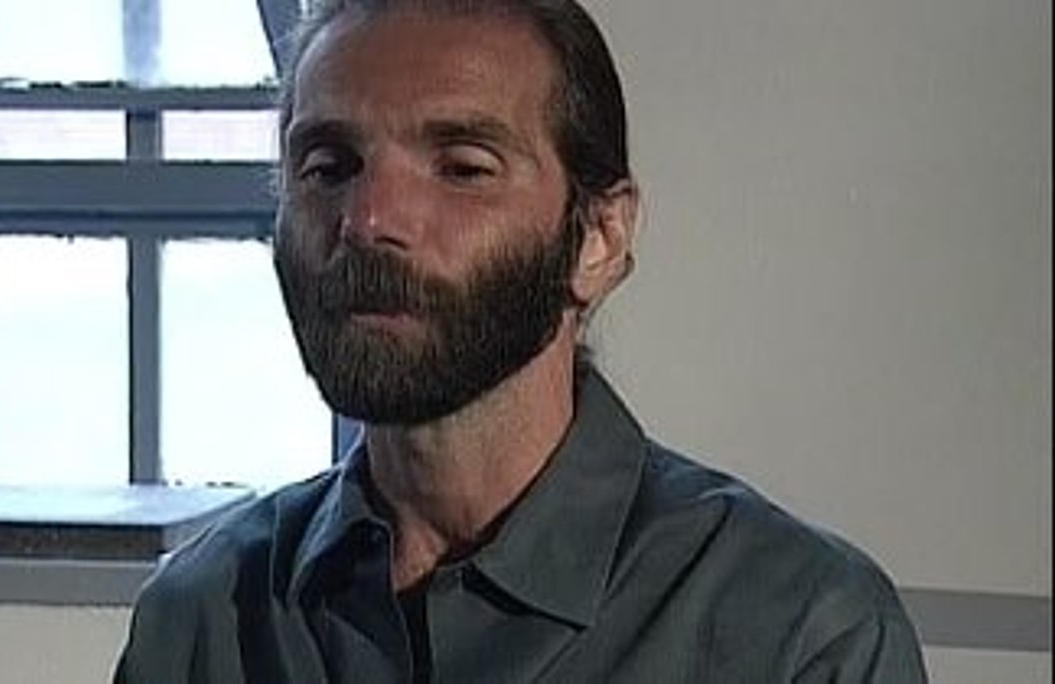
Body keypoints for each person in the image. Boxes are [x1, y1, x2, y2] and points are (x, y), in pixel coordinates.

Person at [114, 1, 928, 681]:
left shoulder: (796, 632)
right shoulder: (204, 622)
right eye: (329, 167)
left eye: (463, 168)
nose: (369, 220)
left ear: (598, 238)